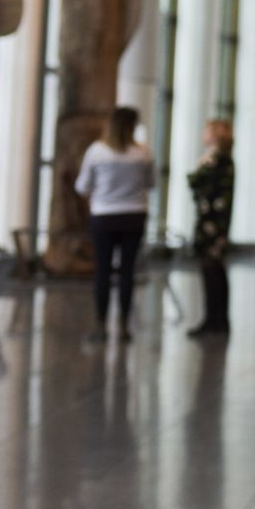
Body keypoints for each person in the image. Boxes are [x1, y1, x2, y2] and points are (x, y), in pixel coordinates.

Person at [74, 106, 155, 342]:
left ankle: (100, 325)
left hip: (104, 217)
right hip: (134, 215)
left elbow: (82, 186)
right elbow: (151, 182)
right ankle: (123, 326)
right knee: (127, 271)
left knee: (103, 270)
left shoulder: (97, 152)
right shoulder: (143, 153)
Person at [186, 120, 234, 337]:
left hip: (211, 224)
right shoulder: (224, 160)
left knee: (211, 270)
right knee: (215, 270)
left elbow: (194, 181)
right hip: (216, 222)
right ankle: (218, 319)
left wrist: (200, 166)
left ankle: (214, 320)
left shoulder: (215, 160)